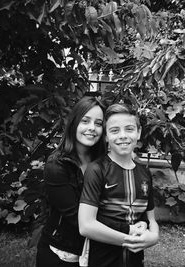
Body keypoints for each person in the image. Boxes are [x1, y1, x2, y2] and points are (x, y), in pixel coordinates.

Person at [79, 103, 159, 267]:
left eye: (129, 129)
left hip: (135, 260)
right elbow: (86, 226)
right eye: (114, 131)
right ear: (106, 137)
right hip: (102, 260)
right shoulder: (97, 170)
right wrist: (129, 240)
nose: (123, 136)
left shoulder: (145, 172)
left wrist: (154, 236)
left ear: (139, 132)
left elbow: (151, 219)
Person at [36, 95, 106, 267]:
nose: (92, 128)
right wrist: (124, 230)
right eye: (85, 121)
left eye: (98, 124)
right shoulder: (57, 165)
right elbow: (78, 219)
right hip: (62, 253)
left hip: (97, 251)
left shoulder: (103, 161)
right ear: (74, 123)